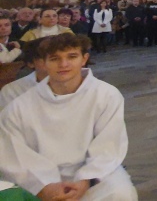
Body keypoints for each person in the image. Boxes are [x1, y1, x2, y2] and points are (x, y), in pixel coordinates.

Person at [0, 34, 137, 200]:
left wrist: (86, 179)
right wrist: (45, 186)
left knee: (119, 192)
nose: (63, 64)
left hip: (93, 171)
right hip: (38, 177)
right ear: (44, 62)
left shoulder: (106, 95)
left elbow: (108, 144)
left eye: (72, 57)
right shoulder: (20, 106)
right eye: (54, 58)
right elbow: (14, 152)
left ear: (84, 59)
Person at [0, 38, 48, 110]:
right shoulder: (12, 90)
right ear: (31, 63)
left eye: (66, 57)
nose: (63, 64)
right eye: (53, 58)